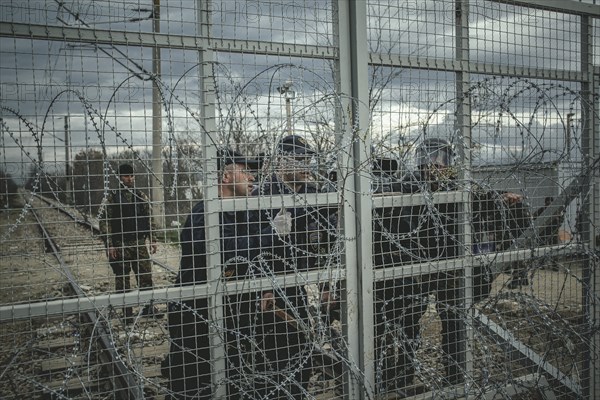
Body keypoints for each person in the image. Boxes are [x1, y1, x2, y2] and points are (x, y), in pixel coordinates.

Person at [383, 138, 523, 387]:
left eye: (440, 158)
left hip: (451, 268)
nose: (434, 164)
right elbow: (388, 192)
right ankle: (404, 372)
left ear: (449, 162)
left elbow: (480, 197)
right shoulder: (409, 185)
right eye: (428, 158)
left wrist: (502, 197)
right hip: (418, 267)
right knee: (408, 319)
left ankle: (454, 373)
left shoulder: (456, 187)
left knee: (453, 321)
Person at [162, 148, 289, 399]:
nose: (253, 178)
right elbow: (225, 252)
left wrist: (264, 286)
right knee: (194, 383)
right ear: (226, 177)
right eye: (246, 172)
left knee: (234, 377)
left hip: (234, 311)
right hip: (198, 314)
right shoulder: (204, 215)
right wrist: (271, 233)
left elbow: (257, 256)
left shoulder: (246, 212)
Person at [250, 134, 338, 399]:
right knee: (275, 355)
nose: (305, 166)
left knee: (303, 352)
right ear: (281, 162)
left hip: (306, 282)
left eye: (307, 159)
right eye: (299, 159)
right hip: (275, 285)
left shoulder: (314, 193)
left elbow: (325, 244)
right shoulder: (262, 194)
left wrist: (325, 287)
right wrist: (263, 288)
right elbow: (251, 248)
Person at [99, 163, 162, 322]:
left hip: (139, 242)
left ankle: (148, 307)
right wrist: (109, 244)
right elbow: (104, 221)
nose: (130, 178)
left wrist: (153, 239)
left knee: (145, 276)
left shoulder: (140, 195)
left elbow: (149, 218)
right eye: (126, 176)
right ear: (120, 178)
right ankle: (127, 314)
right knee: (122, 279)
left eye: (132, 175)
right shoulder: (112, 197)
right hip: (121, 243)